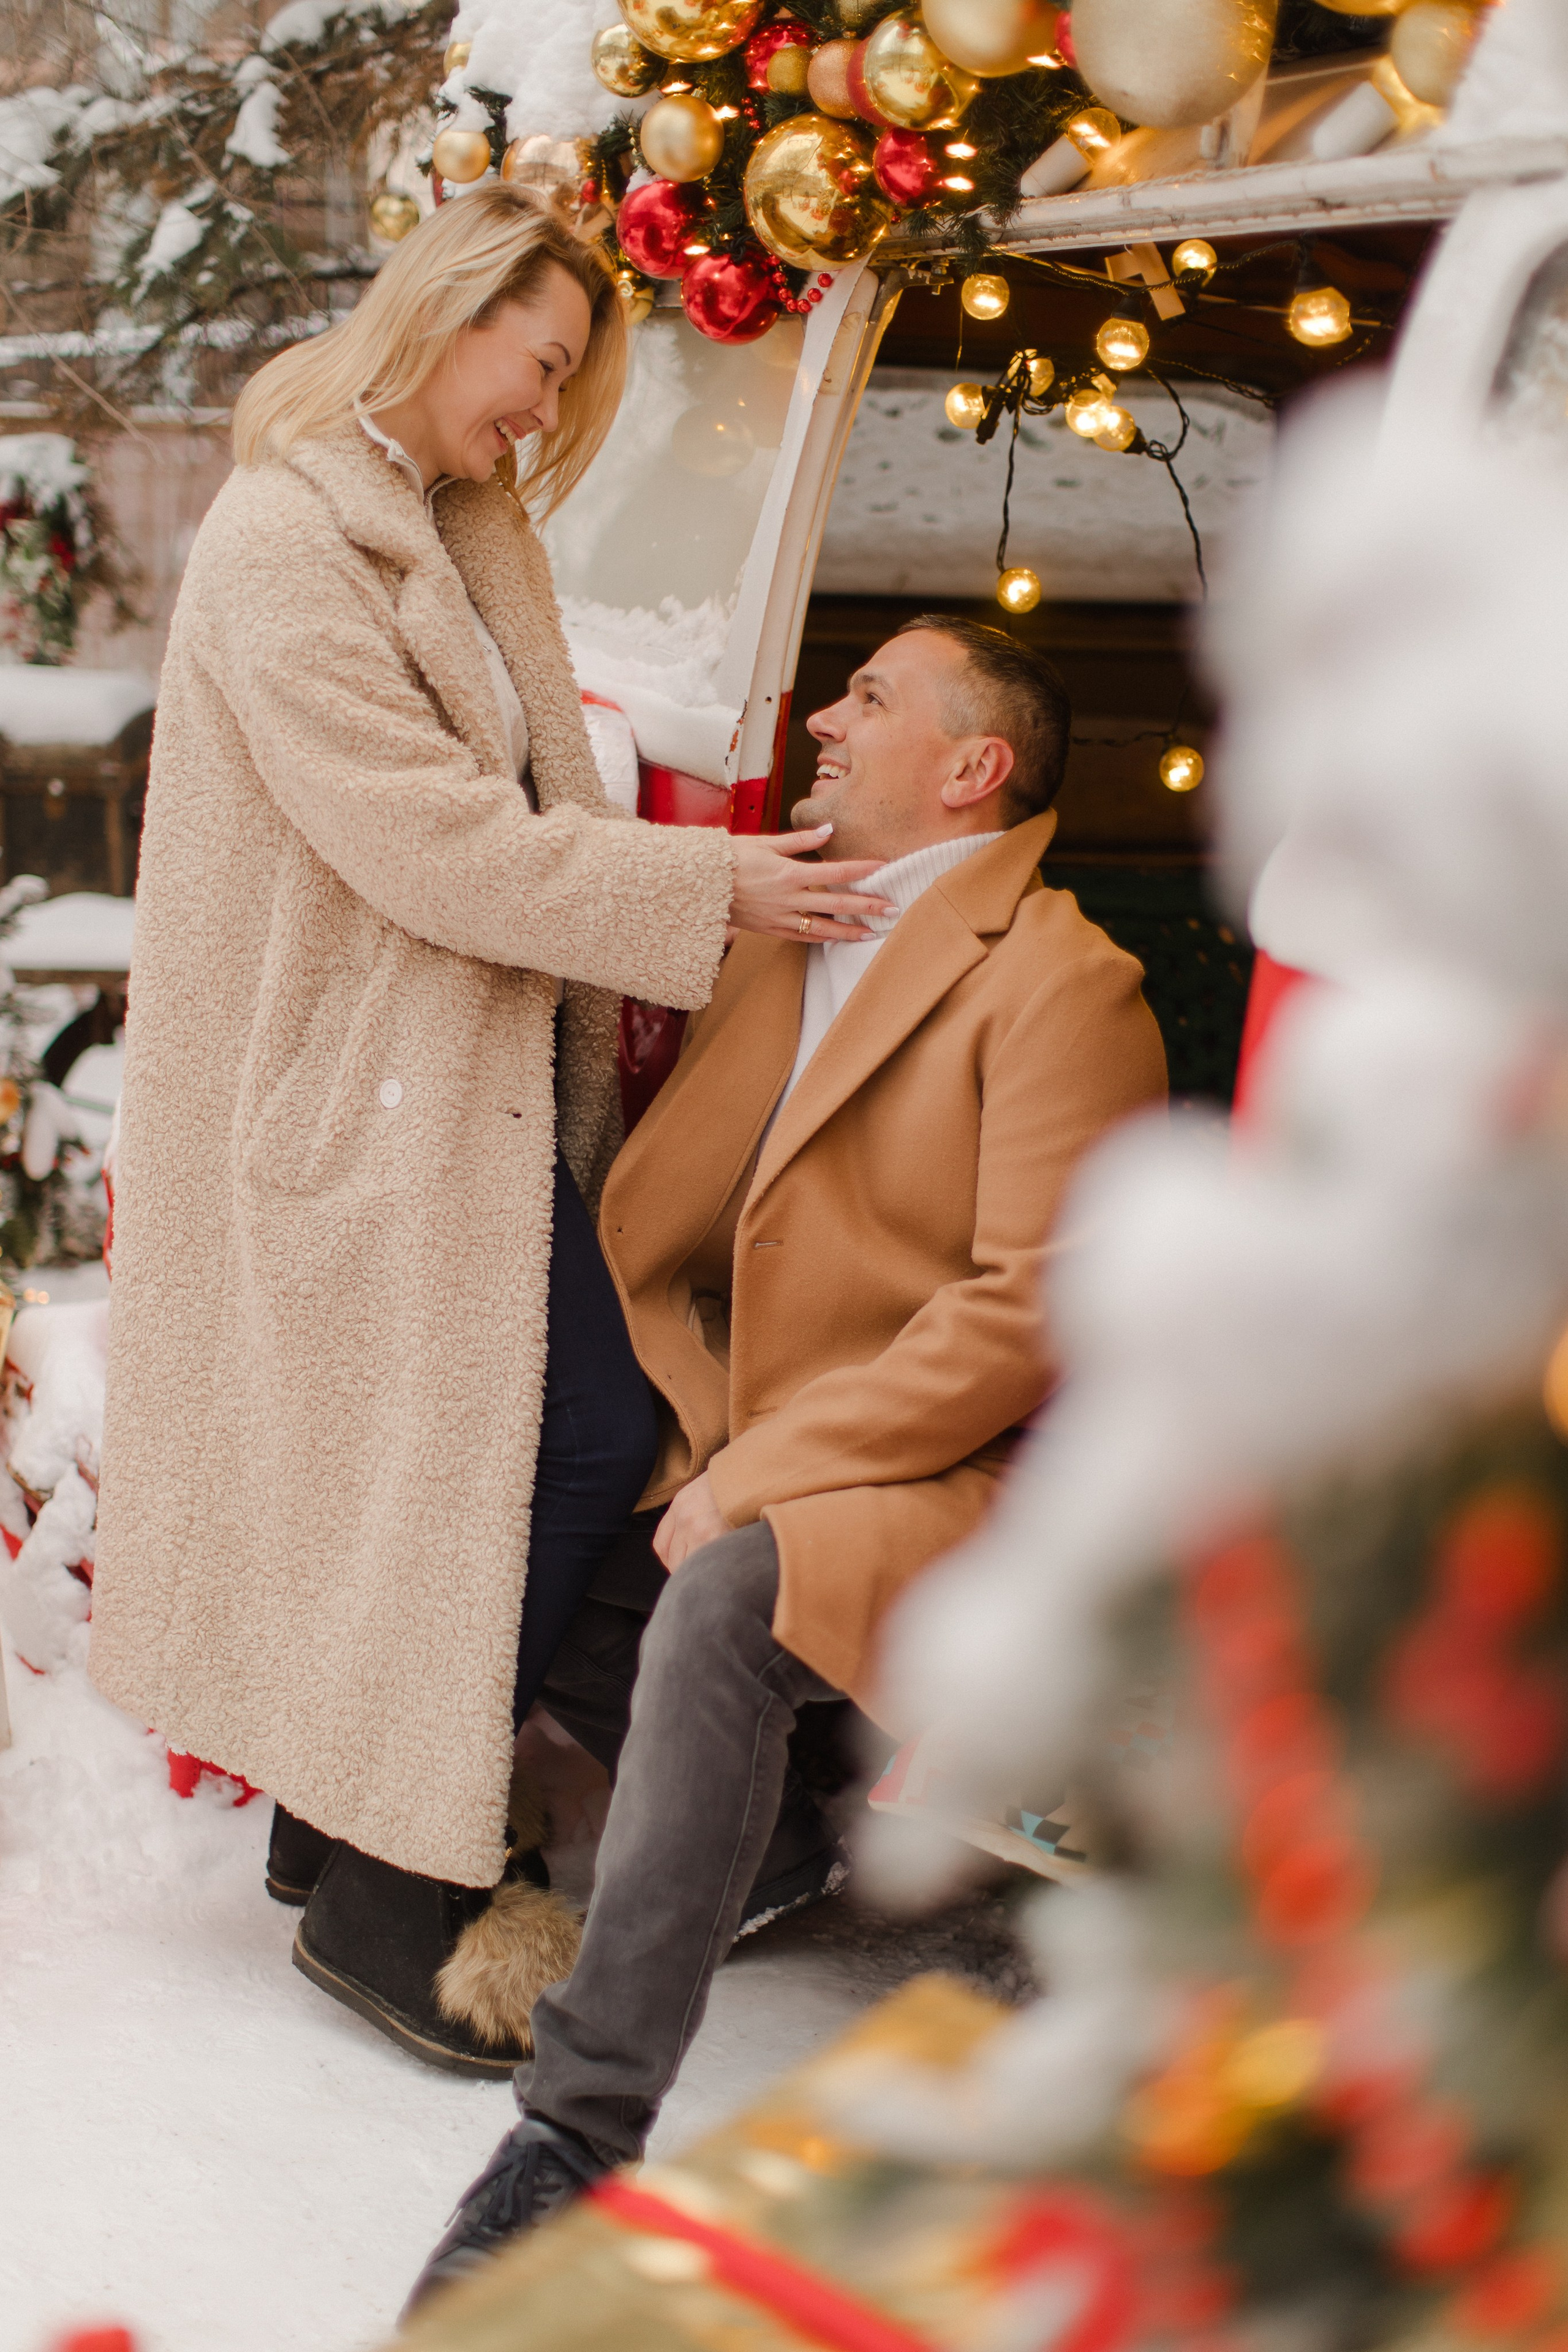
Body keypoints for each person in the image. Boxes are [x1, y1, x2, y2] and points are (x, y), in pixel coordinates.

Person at [88, 184, 895, 2073]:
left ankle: (338, 1822)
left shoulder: (452, 523)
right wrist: (710, 890)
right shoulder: (288, 538)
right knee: (577, 1426)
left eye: (566, 379)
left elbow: (504, 802)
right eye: (535, 364)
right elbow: (428, 840)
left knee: (465, 1451)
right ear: (441, 318)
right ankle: (389, 1882)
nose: (542, 409)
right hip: (353, 1089)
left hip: (440, 1076)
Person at [407, 614, 1169, 2301]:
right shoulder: (780, 930)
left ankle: (572, 2133)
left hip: (941, 1463)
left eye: (871, 697)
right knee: (531, 1509)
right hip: (736, 1412)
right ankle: (756, 1842)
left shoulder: (1069, 984)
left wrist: (760, 1473)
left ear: (974, 769)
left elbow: (1023, 1320)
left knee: (724, 1594)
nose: (825, 717)